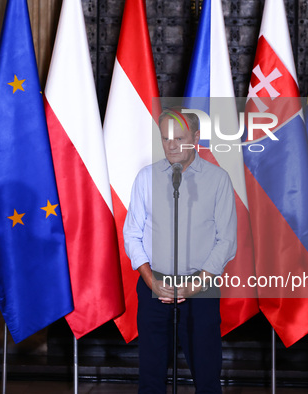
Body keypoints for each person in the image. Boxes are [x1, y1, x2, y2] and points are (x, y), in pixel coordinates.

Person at [123, 107, 237, 393]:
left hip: (201, 289)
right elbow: (132, 234)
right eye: (165, 139)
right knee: (151, 374)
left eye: (179, 138)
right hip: (154, 286)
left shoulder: (218, 179)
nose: (171, 145)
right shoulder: (146, 178)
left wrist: (195, 285)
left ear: (196, 138)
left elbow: (227, 240)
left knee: (207, 373)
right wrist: (151, 282)